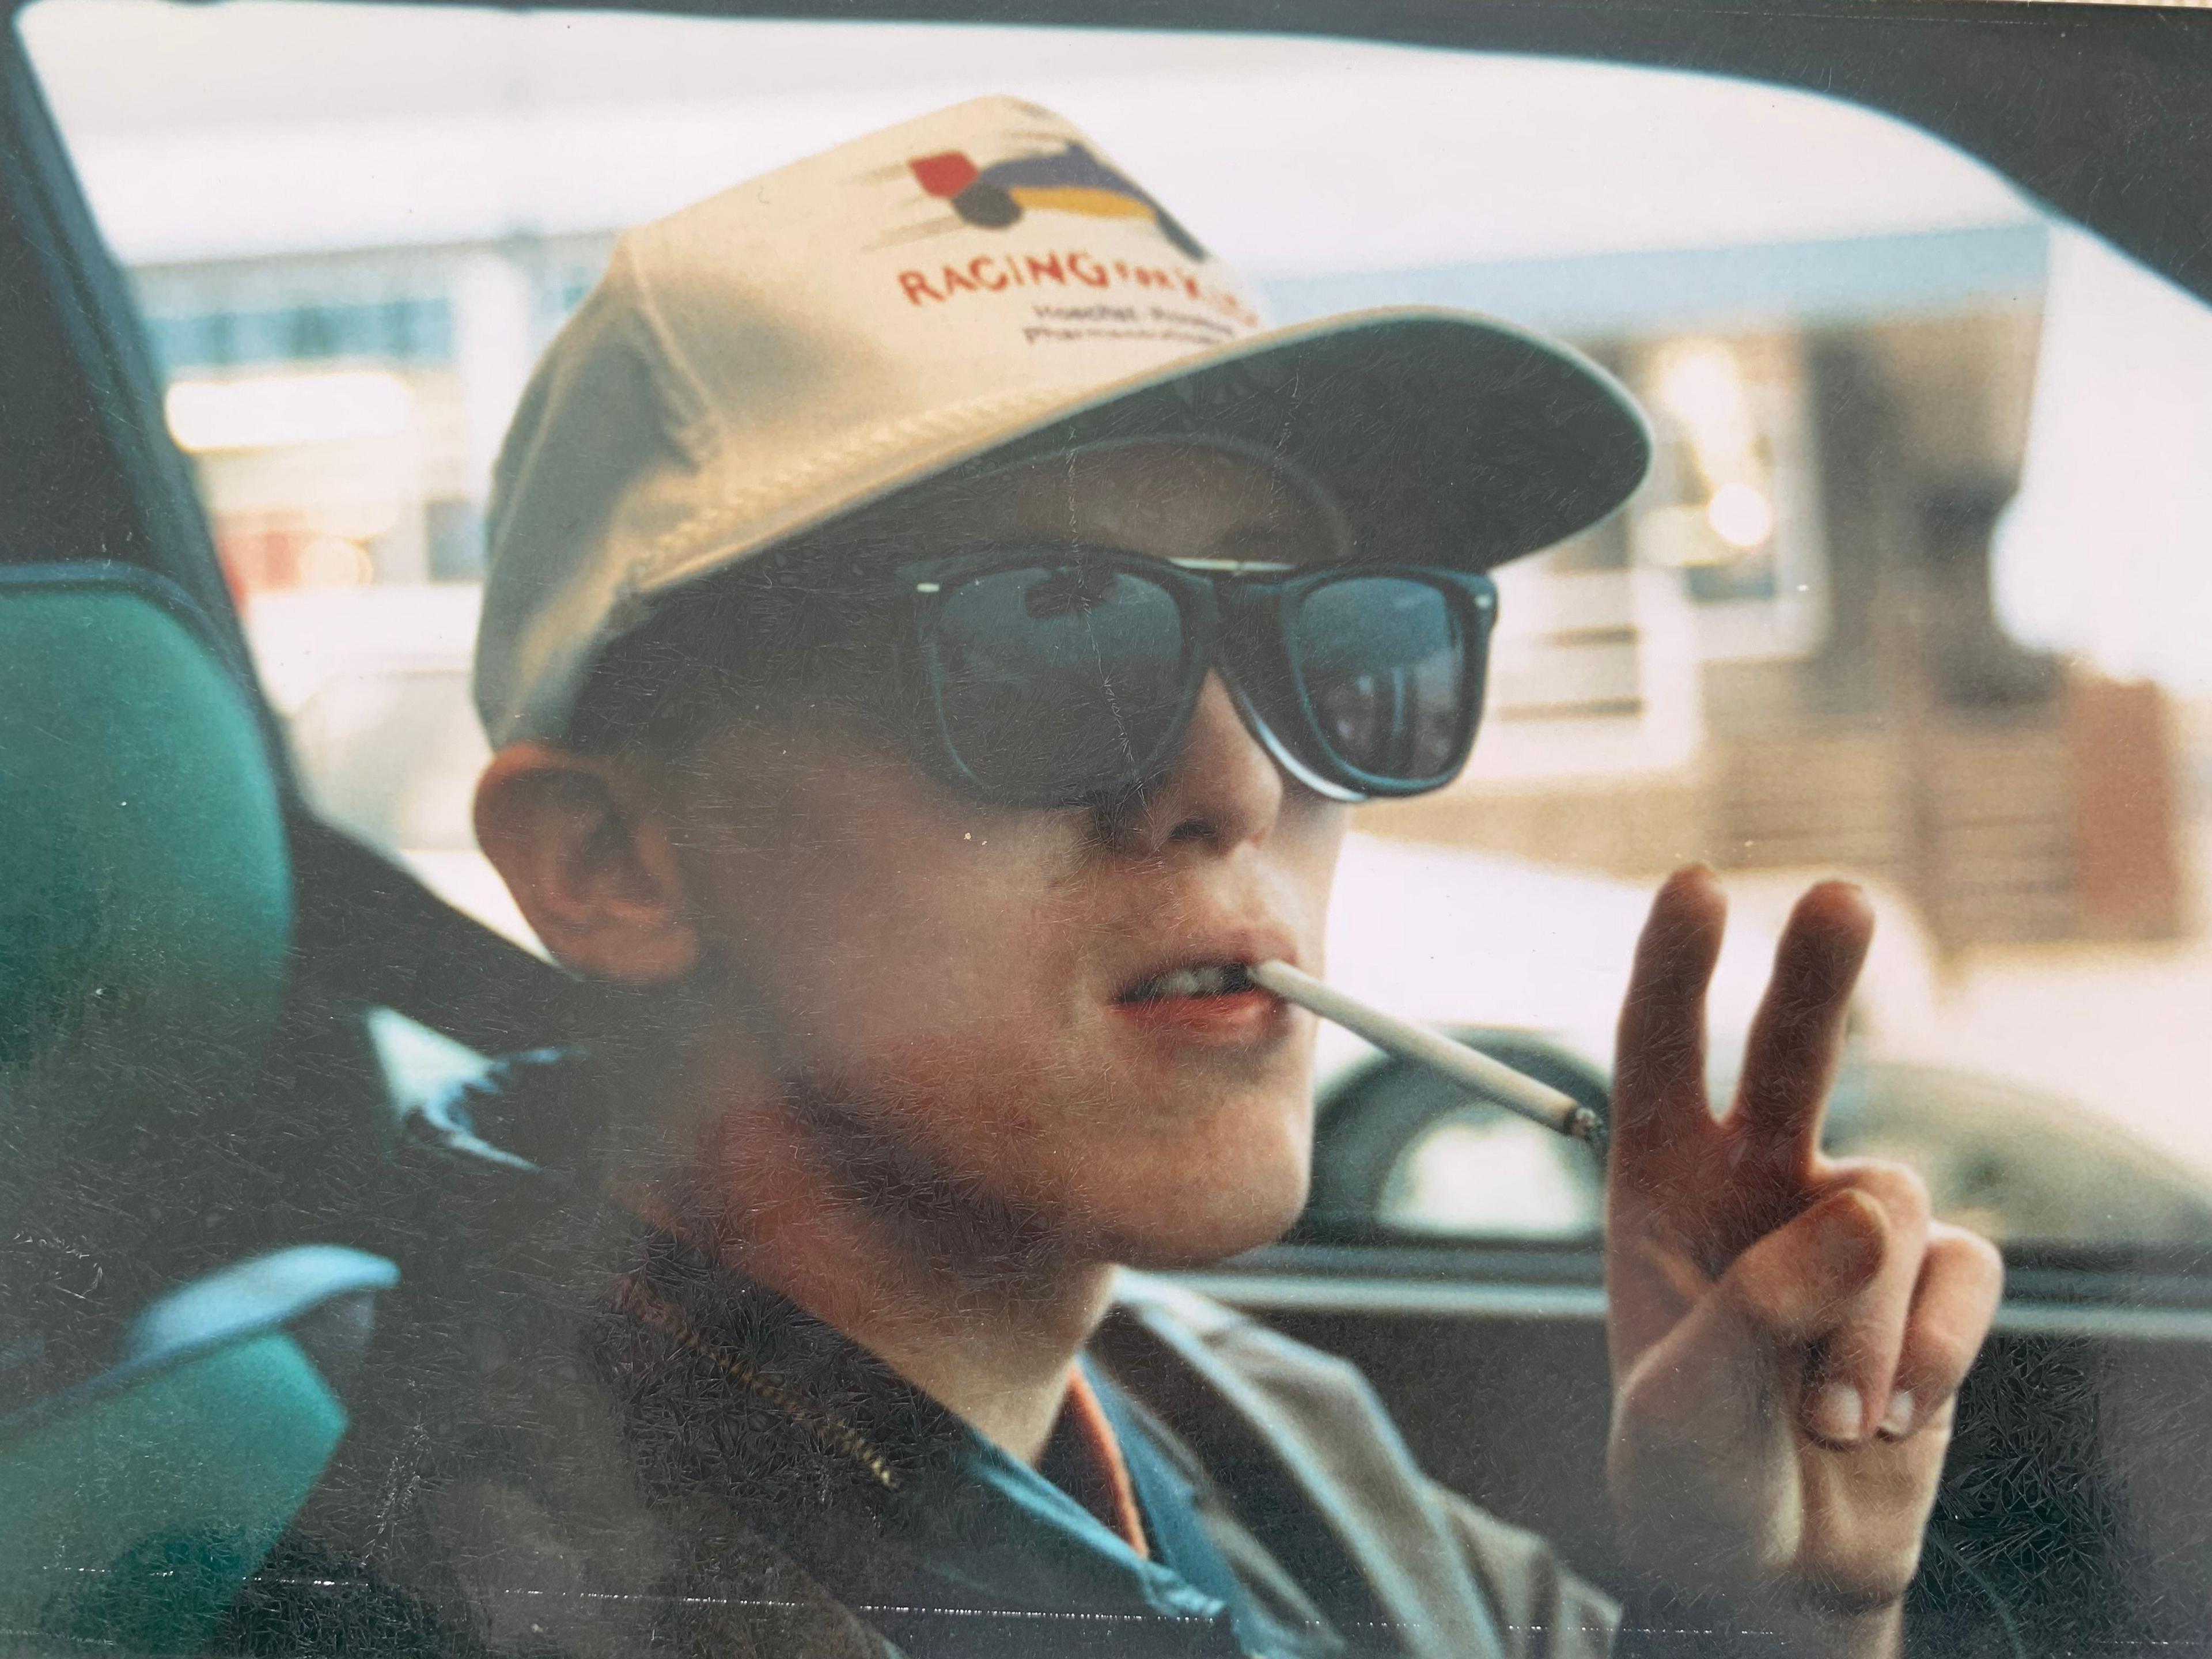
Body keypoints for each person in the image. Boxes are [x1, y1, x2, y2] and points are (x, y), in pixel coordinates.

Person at [238, 97, 2004, 1659]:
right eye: (1049, 645)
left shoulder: (1237, 1417)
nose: (1241, 782)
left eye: (1341, 639)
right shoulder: (494, 1605)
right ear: (612, 864)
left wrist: (1769, 1618)